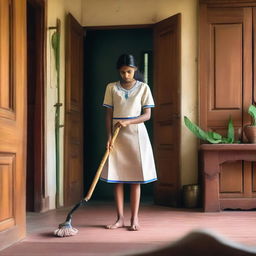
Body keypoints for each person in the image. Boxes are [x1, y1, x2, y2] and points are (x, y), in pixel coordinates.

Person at [100, 54, 157, 231]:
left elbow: (147, 115)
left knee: (135, 180)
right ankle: (119, 219)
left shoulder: (143, 88)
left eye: (129, 71)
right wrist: (109, 137)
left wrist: (128, 122)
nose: (126, 75)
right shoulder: (111, 88)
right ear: (119, 71)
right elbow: (108, 115)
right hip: (117, 136)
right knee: (117, 178)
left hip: (136, 135)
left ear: (135, 70)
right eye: (123, 72)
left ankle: (134, 219)